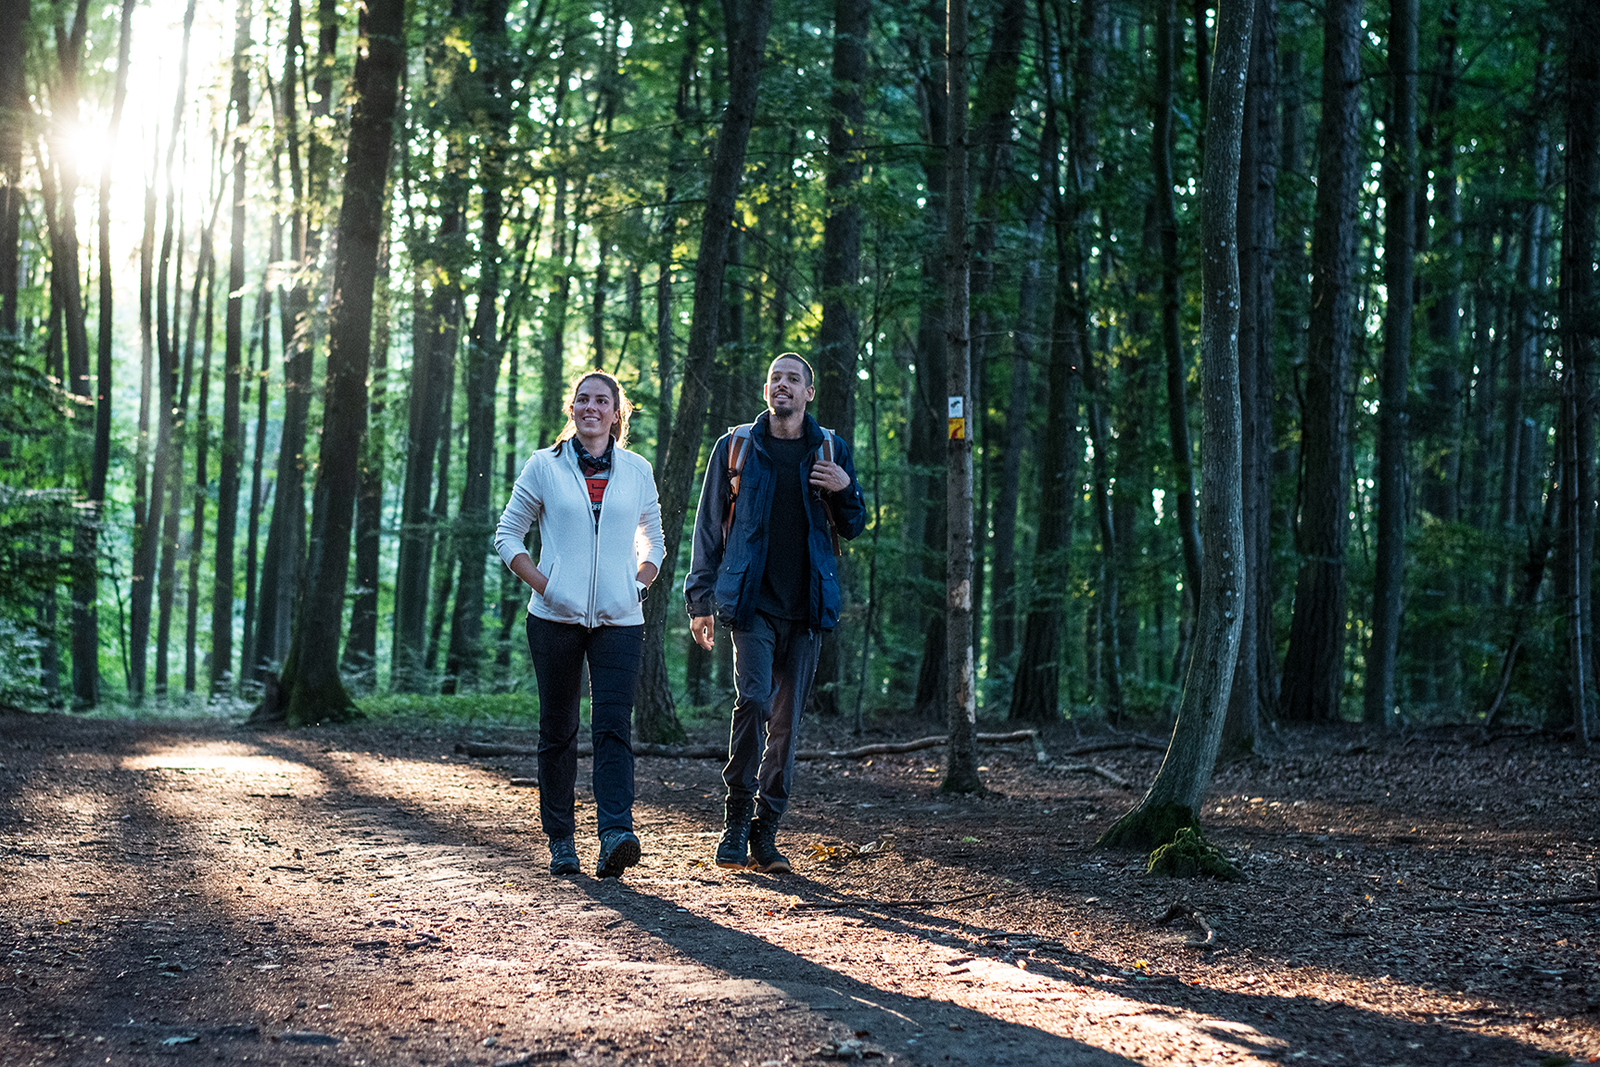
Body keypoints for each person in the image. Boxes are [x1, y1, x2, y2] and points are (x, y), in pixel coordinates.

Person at [685, 353, 867, 872]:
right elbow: (708, 529)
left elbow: (853, 526)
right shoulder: (737, 447)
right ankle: (736, 820)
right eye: (774, 379)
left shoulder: (830, 449)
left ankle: (767, 832)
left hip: (808, 609)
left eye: (793, 379)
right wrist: (700, 600)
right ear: (766, 390)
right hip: (752, 603)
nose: (781, 385)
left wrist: (845, 489)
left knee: (787, 724)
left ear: (809, 392)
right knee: (754, 702)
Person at [494, 370, 664, 878]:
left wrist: (639, 583)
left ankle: (615, 832)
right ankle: (561, 841)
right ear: (572, 410)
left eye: (602, 401)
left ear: (617, 413)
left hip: (620, 620)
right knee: (559, 729)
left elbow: (653, 539)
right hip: (554, 619)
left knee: (613, 727)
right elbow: (508, 536)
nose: (591, 407)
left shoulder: (637, 471)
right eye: (582, 399)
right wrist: (548, 586)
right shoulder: (544, 466)